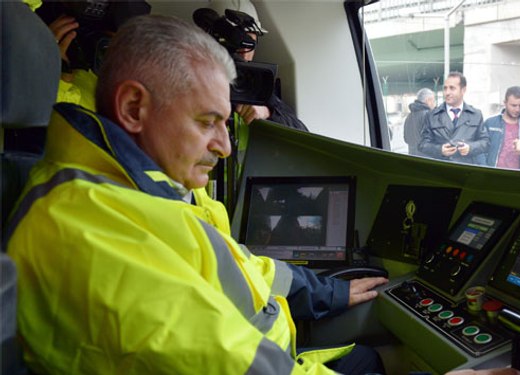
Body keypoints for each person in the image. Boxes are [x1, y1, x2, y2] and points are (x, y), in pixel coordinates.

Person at [7, 15, 387, 374]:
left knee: (372, 358)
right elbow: (223, 361)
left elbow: (245, 268)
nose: (224, 146)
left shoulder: (149, 190)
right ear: (133, 108)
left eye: (225, 122)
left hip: (270, 352)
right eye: (207, 122)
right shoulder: (81, 227)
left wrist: (331, 294)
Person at [229, 11, 310, 131]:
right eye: (238, 40)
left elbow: (301, 130)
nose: (245, 48)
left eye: (250, 41)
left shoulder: (257, 86)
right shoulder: (199, 80)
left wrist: (267, 112)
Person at [418, 71, 488, 165]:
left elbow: (485, 142)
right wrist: (440, 150)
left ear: (463, 90)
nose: (447, 92)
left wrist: (470, 148)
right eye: (445, 88)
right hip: (441, 171)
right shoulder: (432, 116)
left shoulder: (476, 115)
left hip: (466, 172)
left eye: (452, 88)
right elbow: (422, 144)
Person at [484, 86, 520, 169]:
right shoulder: (490, 122)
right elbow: (482, 148)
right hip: (494, 173)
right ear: (505, 103)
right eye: (513, 105)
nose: (517, 109)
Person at [403, 88, 436, 156]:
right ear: (428, 100)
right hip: (427, 160)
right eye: (433, 100)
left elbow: (406, 139)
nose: (434, 103)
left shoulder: (408, 117)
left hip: (412, 158)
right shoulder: (428, 115)